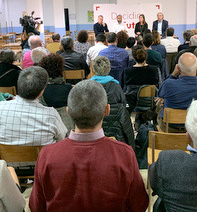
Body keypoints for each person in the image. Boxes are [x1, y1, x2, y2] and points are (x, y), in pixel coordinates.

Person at [29, 80, 149, 211]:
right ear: (107, 110)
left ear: (68, 112)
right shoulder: (124, 153)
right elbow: (139, 204)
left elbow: (36, 206)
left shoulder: (47, 154)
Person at [0, 67, 67, 172]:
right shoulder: (51, 114)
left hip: (7, 168)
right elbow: (62, 140)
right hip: (41, 168)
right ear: (41, 92)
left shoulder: (1, 108)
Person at [156, 53, 197, 132]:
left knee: (159, 104)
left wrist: (173, 74)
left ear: (178, 68)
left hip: (169, 128)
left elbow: (160, 94)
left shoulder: (168, 84)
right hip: (193, 130)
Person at [91, 56, 134, 148]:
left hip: (93, 130)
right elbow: (123, 107)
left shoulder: (88, 86)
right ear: (109, 69)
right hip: (115, 131)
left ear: (93, 69)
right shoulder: (116, 86)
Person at [38, 54, 73, 136]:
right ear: (61, 69)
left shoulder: (41, 91)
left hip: (48, 131)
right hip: (68, 129)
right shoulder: (69, 88)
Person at [124, 45, 160, 112]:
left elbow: (127, 89)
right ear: (146, 56)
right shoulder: (154, 69)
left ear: (134, 58)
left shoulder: (128, 71)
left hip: (133, 103)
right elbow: (159, 85)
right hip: (151, 101)